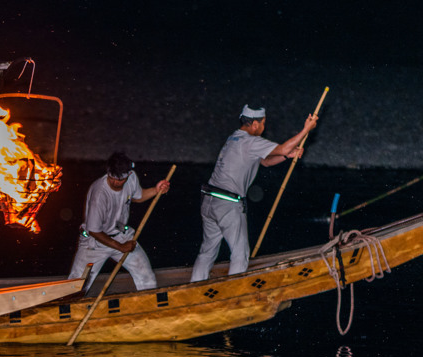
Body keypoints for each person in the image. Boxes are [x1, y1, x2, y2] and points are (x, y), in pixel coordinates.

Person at [190, 104, 319, 282]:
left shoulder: (234, 138)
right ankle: (234, 296)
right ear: (256, 125)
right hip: (227, 203)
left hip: (209, 200)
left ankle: (195, 286)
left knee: (207, 251)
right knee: (240, 253)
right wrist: (306, 129)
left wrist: (287, 157)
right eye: (264, 123)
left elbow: (265, 162)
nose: (264, 127)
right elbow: (282, 148)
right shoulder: (250, 141)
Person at [68, 152, 170, 294]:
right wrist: (120, 247)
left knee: (147, 277)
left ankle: (148, 307)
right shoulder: (99, 193)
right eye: (112, 178)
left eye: (120, 179)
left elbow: (138, 197)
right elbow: (94, 230)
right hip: (94, 243)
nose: (115, 182)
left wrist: (156, 190)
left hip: (121, 236)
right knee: (75, 287)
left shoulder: (131, 178)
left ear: (128, 174)